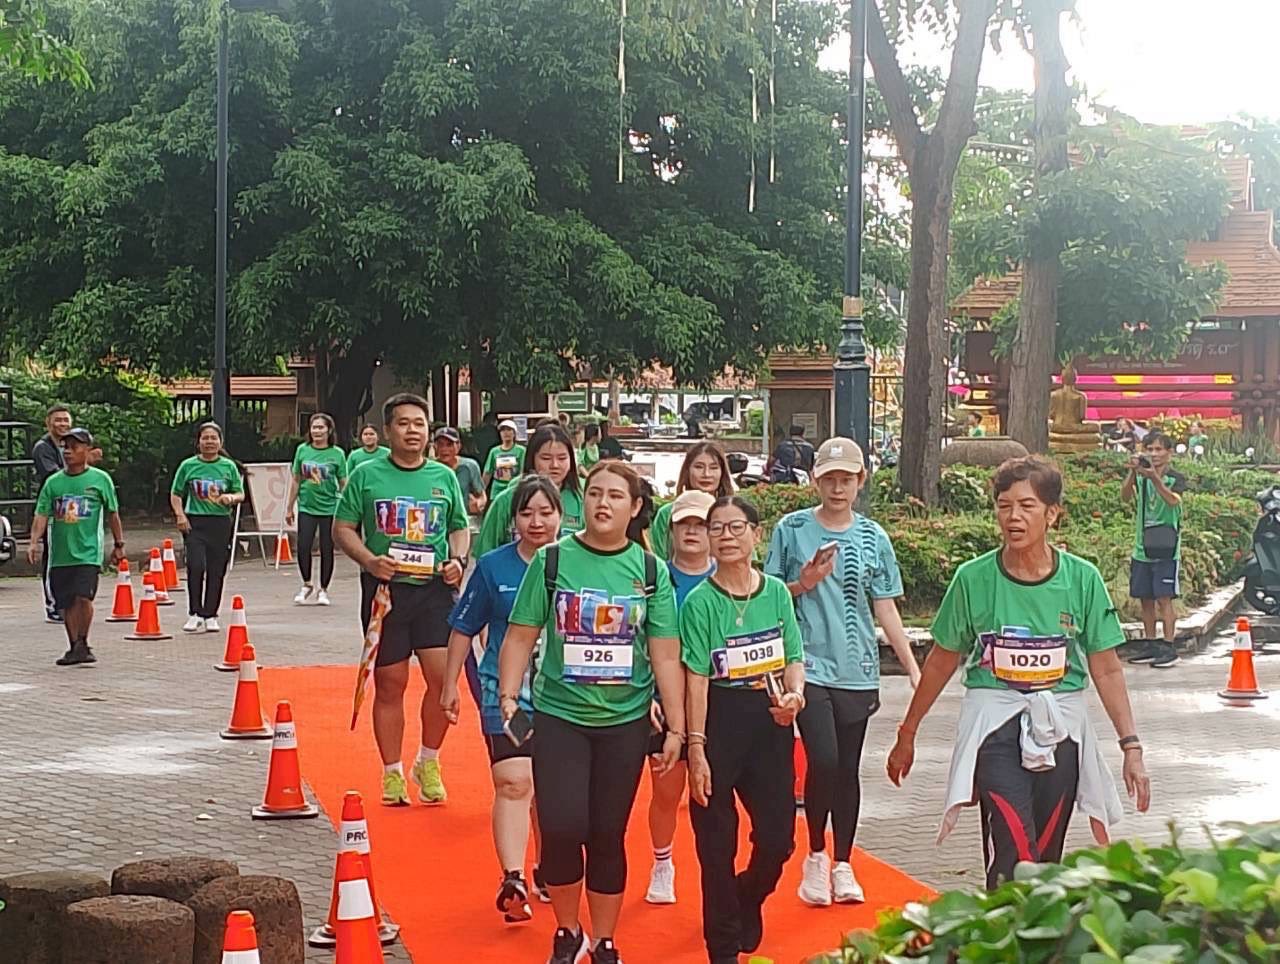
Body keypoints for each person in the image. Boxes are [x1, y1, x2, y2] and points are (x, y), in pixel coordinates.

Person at [886, 456, 1152, 888]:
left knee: (1045, 859)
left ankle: (1033, 927)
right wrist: (907, 731)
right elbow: (942, 659)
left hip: (1061, 729)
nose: (1014, 517)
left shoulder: (1082, 580)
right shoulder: (972, 579)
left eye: (1027, 506)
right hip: (994, 727)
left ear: (1052, 514)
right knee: (1014, 853)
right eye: (1004, 506)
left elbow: (1106, 669)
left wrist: (1131, 747)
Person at [498, 460, 685, 964]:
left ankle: (604, 940)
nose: (604, 504)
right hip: (560, 716)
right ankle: (567, 930)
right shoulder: (553, 560)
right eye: (596, 493)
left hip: (624, 722)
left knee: (607, 833)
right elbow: (521, 635)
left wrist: (677, 726)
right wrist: (509, 698)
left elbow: (666, 653)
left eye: (616, 496)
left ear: (636, 507)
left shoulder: (650, 571)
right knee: (561, 827)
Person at [764, 437, 921, 906]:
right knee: (825, 759)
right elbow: (768, 593)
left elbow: (885, 607)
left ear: (860, 481)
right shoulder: (792, 530)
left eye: (846, 479)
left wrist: (913, 668)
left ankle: (843, 862)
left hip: (858, 667)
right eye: (829, 478)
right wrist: (803, 582)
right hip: (806, 664)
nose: (837, 488)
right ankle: (815, 853)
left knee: (847, 768)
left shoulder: (874, 537)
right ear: (815, 480)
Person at [683, 496, 805, 963]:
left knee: (778, 839)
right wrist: (696, 747)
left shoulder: (775, 593)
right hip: (718, 720)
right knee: (716, 845)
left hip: (770, 721)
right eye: (716, 528)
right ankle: (723, 946)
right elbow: (696, 677)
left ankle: (748, 894)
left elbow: (793, 657)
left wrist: (795, 696)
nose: (726, 537)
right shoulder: (700, 602)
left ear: (757, 533)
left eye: (736, 527)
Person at [333, 393, 471, 806]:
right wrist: (369, 561)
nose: (413, 431)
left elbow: (459, 527)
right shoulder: (366, 475)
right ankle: (391, 771)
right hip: (385, 593)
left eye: (419, 424)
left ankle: (428, 760)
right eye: (404, 423)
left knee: (442, 679)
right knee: (391, 683)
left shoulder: (444, 477)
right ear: (387, 430)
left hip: (434, 591)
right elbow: (343, 528)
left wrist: (458, 560)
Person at [441, 475, 563, 925]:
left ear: (561, 516)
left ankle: (551, 866)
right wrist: (449, 686)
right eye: (526, 513)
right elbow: (463, 627)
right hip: (505, 695)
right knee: (514, 781)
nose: (536, 522)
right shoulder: (494, 567)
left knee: (552, 788)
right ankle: (513, 878)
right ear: (513, 519)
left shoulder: (579, 562)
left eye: (546, 513)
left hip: (567, 696)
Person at [644, 488, 716, 906]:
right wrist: (647, 693)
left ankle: (717, 875)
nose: (691, 532)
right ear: (670, 530)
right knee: (667, 792)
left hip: (716, 702)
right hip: (662, 701)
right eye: (683, 524)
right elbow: (635, 639)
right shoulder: (653, 577)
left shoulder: (729, 579)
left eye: (700, 524)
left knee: (713, 796)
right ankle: (662, 862)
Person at [28, 428, 126, 666]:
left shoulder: (100, 480)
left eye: (74, 447)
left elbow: (113, 513)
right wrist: (33, 541)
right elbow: (42, 514)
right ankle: (75, 646)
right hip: (61, 554)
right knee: (67, 602)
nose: (68, 452)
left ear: (88, 450)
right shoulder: (53, 483)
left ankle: (83, 639)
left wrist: (119, 544)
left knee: (84, 596)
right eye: (65, 447)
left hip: (88, 552)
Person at [170, 422, 244, 633]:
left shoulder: (228, 466)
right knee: (196, 565)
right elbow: (176, 493)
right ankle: (194, 612)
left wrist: (231, 498)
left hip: (220, 523)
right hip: (195, 523)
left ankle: (210, 614)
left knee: (216, 569)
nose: (209, 442)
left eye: (213, 438)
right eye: (205, 438)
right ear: (198, 441)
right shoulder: (188, 466)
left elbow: (240, 493)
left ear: (220, 442)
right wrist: (180, 515)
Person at [1122, 432, 1187, 669]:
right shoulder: (1142, 477)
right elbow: (1125, 497)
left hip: (1167, 548)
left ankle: (1168, 646)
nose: (1154, 454)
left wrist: (1155, 478)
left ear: (1169, 453)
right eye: (1149, 449)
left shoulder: (1175, 478)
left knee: (1164, 598)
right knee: (1145, 599)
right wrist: (1133, 472)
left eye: (1159, 449)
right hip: (1142, 547)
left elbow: (1173, 501)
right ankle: (1150, 644)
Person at [474, 424, 583, 557]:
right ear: (532, 458)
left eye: (562, 458)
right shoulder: (506, 499)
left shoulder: (584, 497)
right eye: (546, 458)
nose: (555, 465)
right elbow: (485, 554)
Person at [286, 413, 348, 607]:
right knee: (303, 546)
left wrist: (349, 509)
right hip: (307, 506)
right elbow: (296, 480)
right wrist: (289, 507)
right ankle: (307, 584)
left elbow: (343, 482)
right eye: (314, 427)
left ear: (329, 430)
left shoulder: (337, 453)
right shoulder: (302, 450)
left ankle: (324, 589)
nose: (317, 431)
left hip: (330, 508)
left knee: (326, 548)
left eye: (321, 427)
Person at [649, 442, 734, 561]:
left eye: (714, 468)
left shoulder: (734, 513)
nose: (706, 474)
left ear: (722, 473)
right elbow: (657, 559)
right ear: (687, 470)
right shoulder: (667, 513)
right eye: (699, 467)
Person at [32, 404, 72, 622]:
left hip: (72, 507)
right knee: (53, 555)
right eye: (58, 420)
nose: (62, 424)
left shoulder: (70, 445)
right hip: (52, 508)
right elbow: (54, 476)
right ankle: (53, 604)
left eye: (66, 420)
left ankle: (69, 602)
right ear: (48, 423)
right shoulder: (43, 448)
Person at [433, 426, 487, 517]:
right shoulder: (432, 468)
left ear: (458, 446)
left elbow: (482, 495)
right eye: (440, 445)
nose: (444, 449)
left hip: (464, 518)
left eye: (449, 445)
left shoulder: (470, 465)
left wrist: (478, 504)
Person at [483, 418, 526, 501]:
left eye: (509, 430)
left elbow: (522, 472)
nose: (506, 433)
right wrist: (482, 492)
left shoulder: (521, 451)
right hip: (497, 489)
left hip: (513, 488)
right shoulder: (494, 451)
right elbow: (488, 472)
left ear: (514, 433)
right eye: (503, 430)